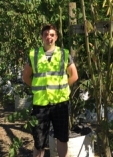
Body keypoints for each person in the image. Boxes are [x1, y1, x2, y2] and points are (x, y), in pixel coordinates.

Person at [22, 24, 78, 157]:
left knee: (62, 138)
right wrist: (37, 88)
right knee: (39, 141)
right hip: (41, 105)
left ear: (56, 37)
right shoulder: (34, 54)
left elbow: (74, 76)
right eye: (46, 34)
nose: (49, 37)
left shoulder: (64, 54)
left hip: (60, 103)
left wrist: (63, 88)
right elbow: (25, 77)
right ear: (42, 37)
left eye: (52, 35)